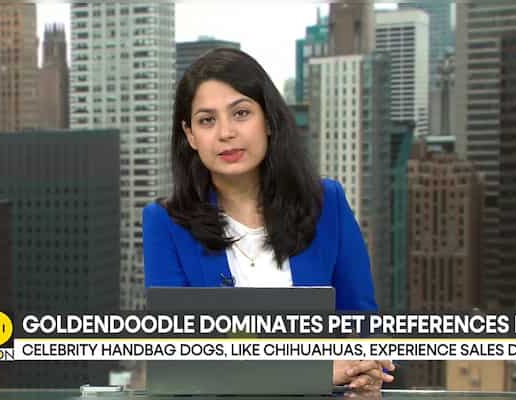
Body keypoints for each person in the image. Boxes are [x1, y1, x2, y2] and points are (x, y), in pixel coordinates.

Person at [142, 48, 394, 390]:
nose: (226, 132)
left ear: (269, 121)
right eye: (207, 120)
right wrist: (314, 371)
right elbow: (177, 359)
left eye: (241, 113)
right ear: (190, 136)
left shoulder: (326, 203)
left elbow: (360, 325)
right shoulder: (164, 223)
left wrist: (365, 371)